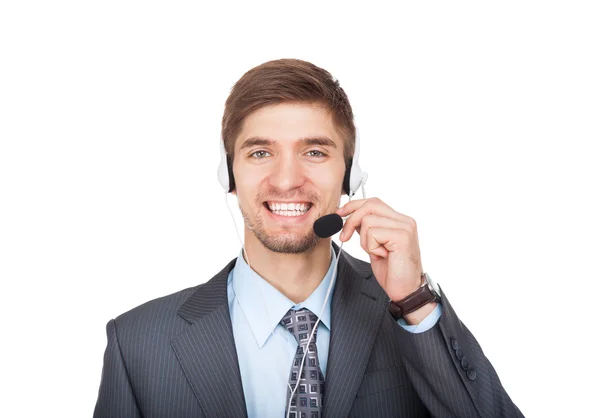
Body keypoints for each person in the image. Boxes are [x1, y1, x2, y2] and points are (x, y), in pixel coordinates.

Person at [94, 58, 524, 418]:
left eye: (314, 152)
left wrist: (414, 300)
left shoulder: (409, 319)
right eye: (260, 152)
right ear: (229, 175)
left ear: (350, 176)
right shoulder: (138, 345)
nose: (286, 180)